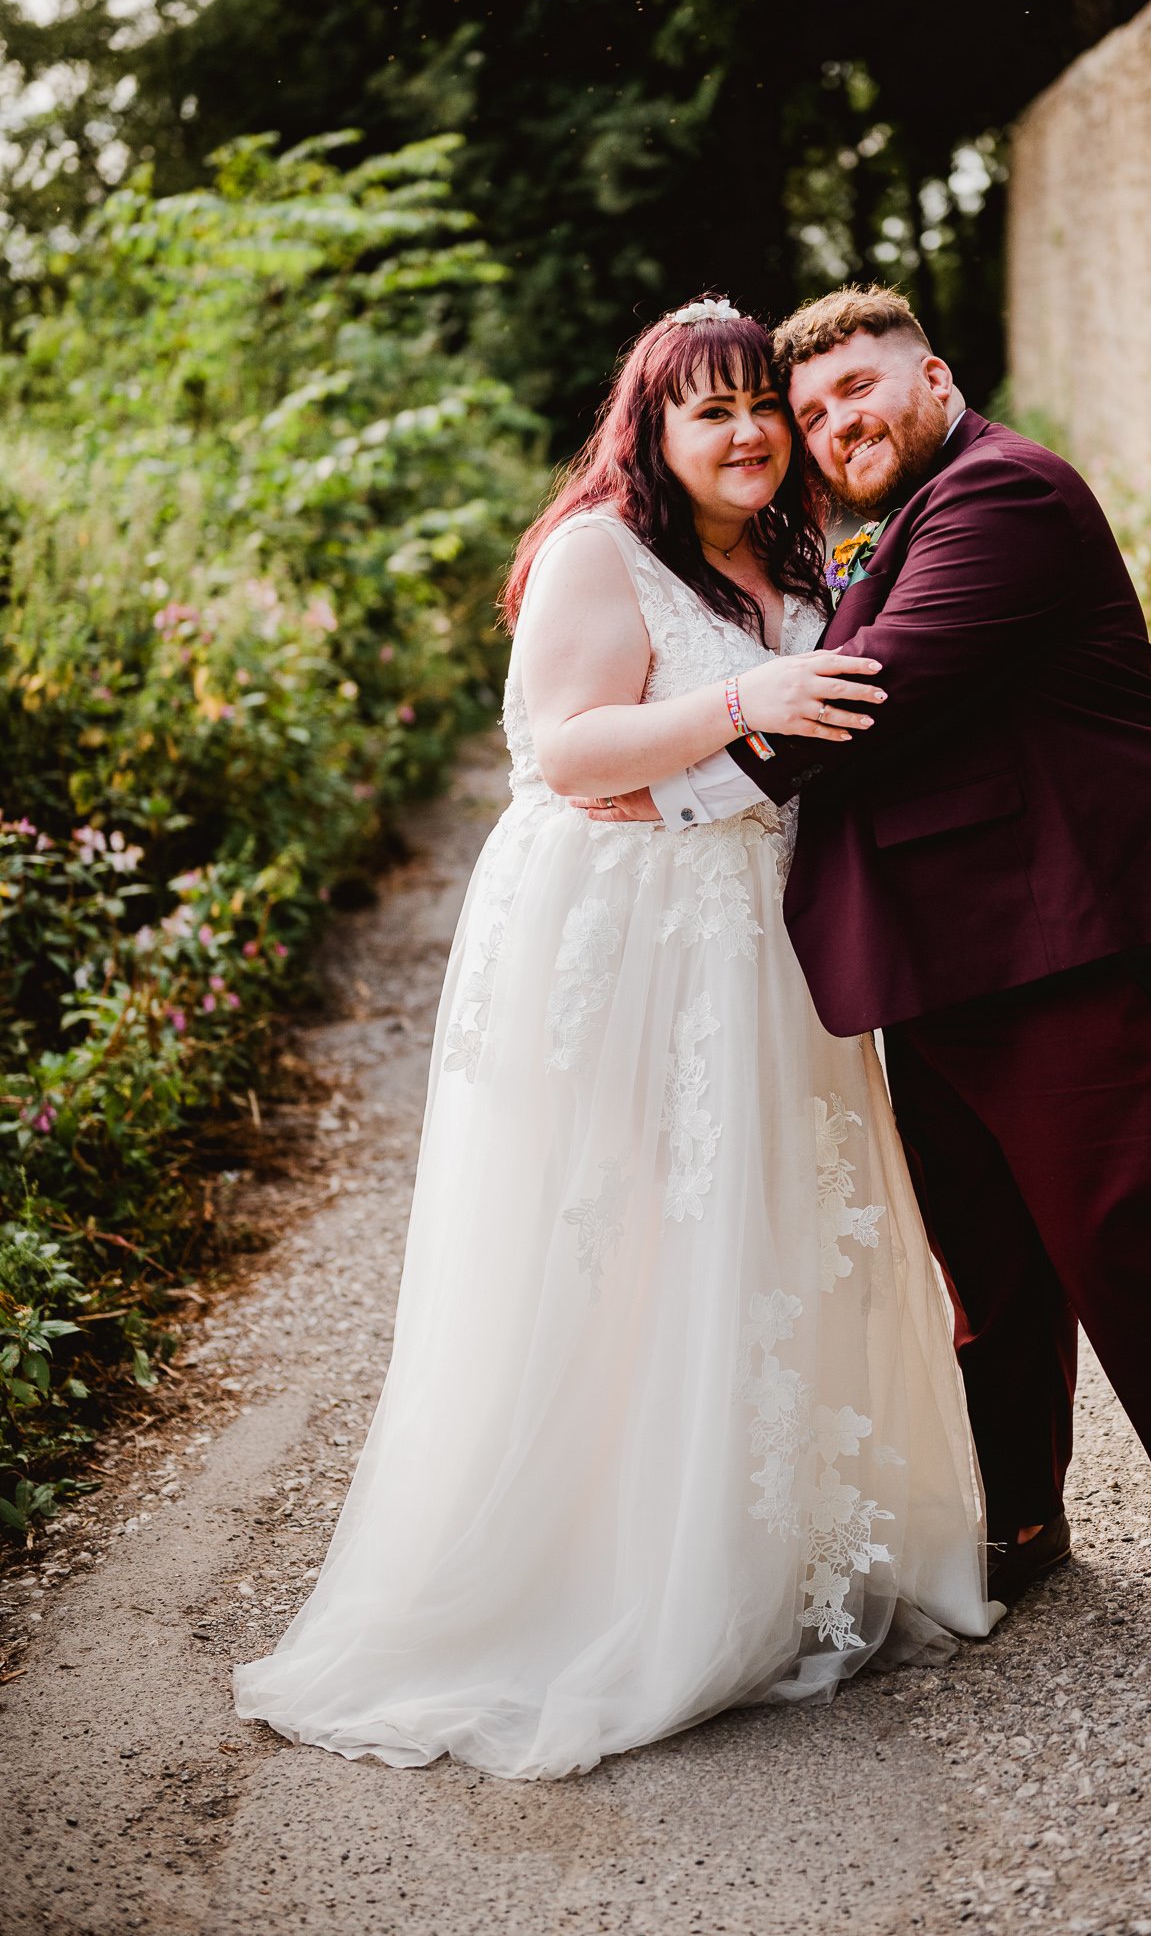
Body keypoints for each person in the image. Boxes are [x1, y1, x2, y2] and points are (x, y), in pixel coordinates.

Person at [232, 298, 998, 1782]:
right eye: (708, 412)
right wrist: (742, 697)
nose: (749, 433)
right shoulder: (600, 550)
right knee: (630, 1237)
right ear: (649, 432)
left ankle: (753, 1556)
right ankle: (615, 1580)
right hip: (631, 938)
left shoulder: (785, 553)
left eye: (759, 406)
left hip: (753, 940)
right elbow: (561, 752)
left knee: (757, 1240)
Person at [590, 285, 1151, 1659]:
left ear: (933, 376)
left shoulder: (1004, 495)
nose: (834, 422)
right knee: (986, 1252)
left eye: (859, 390)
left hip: (1078, 930)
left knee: (1119, 1226)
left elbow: (879, 690)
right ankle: (1026, 1521)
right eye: (811, 413)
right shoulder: (872, 528)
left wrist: (668, 781)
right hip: (944, 958)